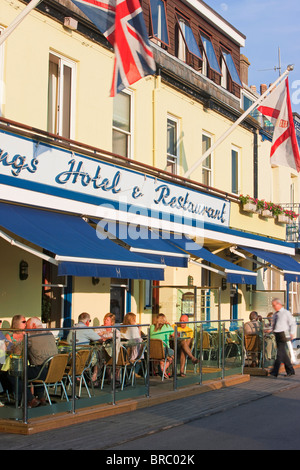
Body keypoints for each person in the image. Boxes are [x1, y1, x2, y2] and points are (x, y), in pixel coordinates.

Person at [26, 317, 58, 408]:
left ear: (33, 326)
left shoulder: (31, 335)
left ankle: (30, 399)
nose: (26, 330)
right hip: (55, 370)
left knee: (17, 373)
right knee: (36, 368)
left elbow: (20, 350)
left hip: (42, 372)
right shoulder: (49, 333)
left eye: (27, 327)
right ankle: (41, 397)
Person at [270, 298, 297, 378]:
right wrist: (271, 330)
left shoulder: (286, 313)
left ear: (279, 304)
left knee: (279, 353)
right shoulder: (275, 314)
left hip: (283, 334)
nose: (274, 307)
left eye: (275, 305)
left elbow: (292, 323)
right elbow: (274, 324)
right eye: (273, 305)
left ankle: (275, 371)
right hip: (277, 334)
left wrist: (292, 333)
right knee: (283, 353)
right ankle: (290, 370)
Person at [150, 314, 174, 379]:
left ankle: (162, 365)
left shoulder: (151, 327)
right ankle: (163, 369)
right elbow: (174, 335)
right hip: (163, 350)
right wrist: (170, 326)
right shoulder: (167, 326)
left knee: (164, 356)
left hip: (152, 351)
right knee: (172, 355)